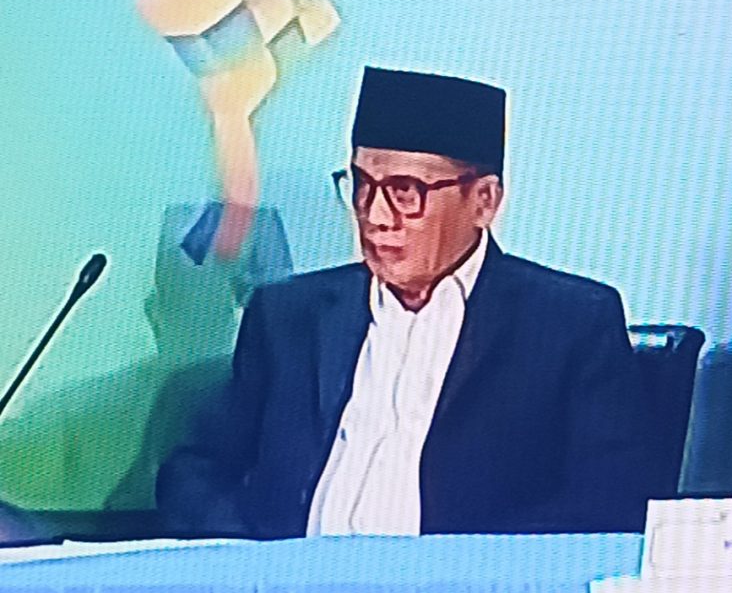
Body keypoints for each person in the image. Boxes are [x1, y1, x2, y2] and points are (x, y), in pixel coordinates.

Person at [158, 67, 652, 537]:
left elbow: (605, 503)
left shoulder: (567, 325)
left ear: (484, 201)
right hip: (289, 583)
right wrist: (258, 560)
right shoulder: (289, 317)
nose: (375, 215)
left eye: (405, 191)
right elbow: (194, 472)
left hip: (457, 591)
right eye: (361, 185)